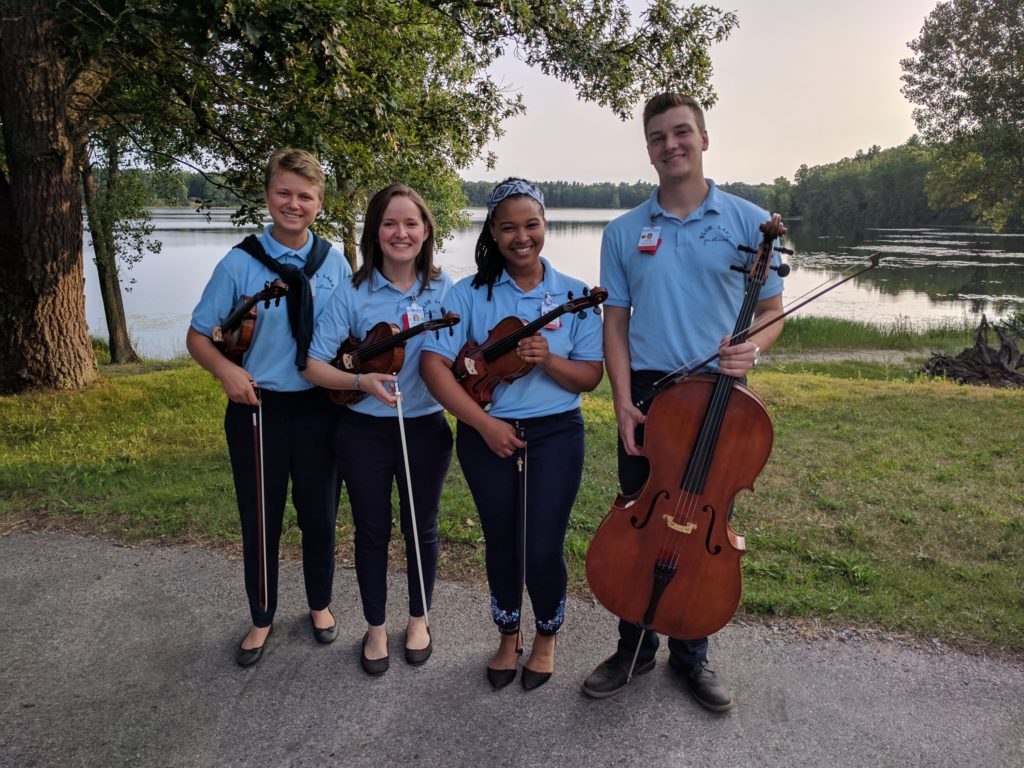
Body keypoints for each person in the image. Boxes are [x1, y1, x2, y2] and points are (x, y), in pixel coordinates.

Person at [581, 93, 785, 711]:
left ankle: (691, 654)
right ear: (648, 150)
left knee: (703, 524)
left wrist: (751, 349)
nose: (672, 144)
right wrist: (621, 403)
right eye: (659, 137)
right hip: (649, 396)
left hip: (723, 398)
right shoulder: (622, 232)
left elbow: (772, 312)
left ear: (702, 138)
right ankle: (634, 647)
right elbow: (615, 325)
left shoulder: (751, 223)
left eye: (682, 133)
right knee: (640, 522)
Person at [420, 178, 604, 692]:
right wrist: (483, 424)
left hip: (556, 434)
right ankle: (508, 635)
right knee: (501, 541)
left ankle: (546, 637)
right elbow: (435, 368)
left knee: (542, 546)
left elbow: (591, 377)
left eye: (531, 225)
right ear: (493, 233)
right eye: (508, 228)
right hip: (486, 434)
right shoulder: (468, 292)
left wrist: (550, 361)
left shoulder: (574, 296)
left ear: (545, 226)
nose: (521, 237)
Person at [187, 148, 352, 667]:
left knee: (320, 514)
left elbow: (349, 332)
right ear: (267, 195)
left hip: (320, 408)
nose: (293, 203)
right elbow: (198, 336)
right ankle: (262, 616)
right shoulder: (239, 262)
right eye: (284, 192)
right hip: (257, 407)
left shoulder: (336, 263)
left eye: (305, 196)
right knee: (260, 517)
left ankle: (320, 604)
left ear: (319, 204)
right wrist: (226, 370)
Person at [304, 183, 453, 675]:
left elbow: (461, 353)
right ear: (374, 231)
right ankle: (373, 625)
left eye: (411, 223)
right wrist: (359, 381)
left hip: (425, 427)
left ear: (426, 230)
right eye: (390, 223)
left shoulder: (444, 289)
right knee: (371, 531)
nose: (401, 233)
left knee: (421, 528)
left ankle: (418, 619)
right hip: (363, 432)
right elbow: (312, 365)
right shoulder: (353, 291)